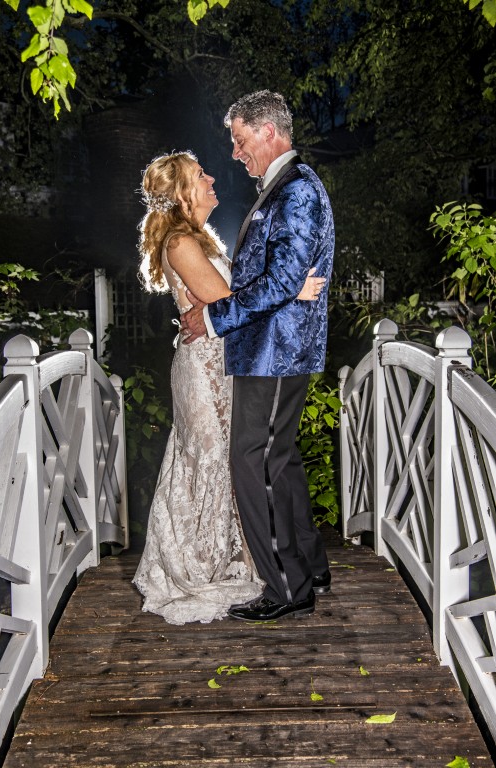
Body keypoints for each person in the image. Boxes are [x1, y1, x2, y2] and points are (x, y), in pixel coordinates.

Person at [132, 151, 324, 625]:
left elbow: (236, 299)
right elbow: (226, 300)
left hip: (224, 363)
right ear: (183, 194)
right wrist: (291, 290)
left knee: (235, 460)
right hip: (203, 370)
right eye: (201, 175)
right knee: (212, 459)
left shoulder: (200, 238)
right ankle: (205, 564)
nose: (212, 178)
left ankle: (251, 559)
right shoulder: (180, 243)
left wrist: (274, 288)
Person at [180, 91, 335, 623]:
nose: (236, 152)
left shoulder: (296, 189)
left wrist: (213, 318)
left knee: (255, 461)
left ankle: (287, 588)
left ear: (268, 131)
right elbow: (283, 278)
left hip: (275, 351)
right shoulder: (289, 186)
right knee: (280, 459)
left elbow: (284, 279)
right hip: (275, 349)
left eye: (240, 139)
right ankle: (310, 566)